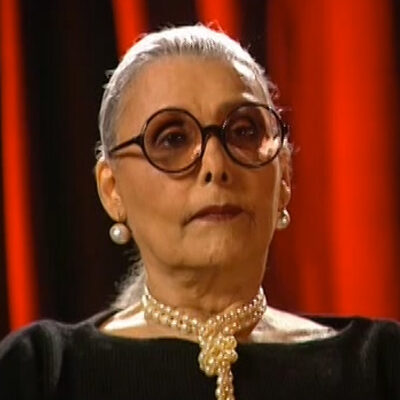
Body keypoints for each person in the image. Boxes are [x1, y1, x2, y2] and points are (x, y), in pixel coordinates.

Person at [0, 24, 399, 400]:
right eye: (172, 138)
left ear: (284, 178)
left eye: (243, 131)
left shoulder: (379, 366)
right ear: (112, 190)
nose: (216, 166)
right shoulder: (41, 373)